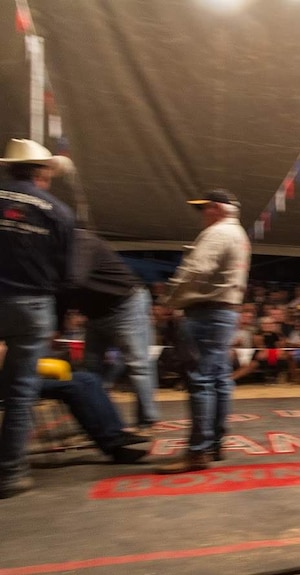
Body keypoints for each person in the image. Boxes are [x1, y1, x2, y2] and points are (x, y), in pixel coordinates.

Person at [0, 139, 75, 499]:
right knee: (19, 391)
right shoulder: (57, 211)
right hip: (31, 304)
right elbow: (65, 274)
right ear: (43, 172)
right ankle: (10, 473)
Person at [156, 189, 250, 473]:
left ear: (217, 208)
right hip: (225, 311)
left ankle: (198, 451)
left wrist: (169, 301)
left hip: (207, 312)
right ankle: (214, 444)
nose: (202, 214)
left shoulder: (217, 234)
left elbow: (195, 271)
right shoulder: (239, 234)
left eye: (206, 208)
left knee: (201, 381)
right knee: (219, 378)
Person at [60, 228, 160, 431]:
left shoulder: (81, 240)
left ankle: (148, 421)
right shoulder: (59, 249)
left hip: (126, 305)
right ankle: (101, 421)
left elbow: (74, 280)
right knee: (91, 368)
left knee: (137, 364)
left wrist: (57, 322)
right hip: (96, 313)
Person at [39, 370, 150, 464]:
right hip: (24, 380)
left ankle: (115, 437)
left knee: (89, 378)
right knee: (75, 387)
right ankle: (112, 441)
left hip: (30, 374)